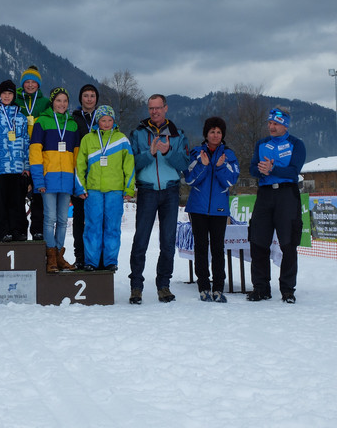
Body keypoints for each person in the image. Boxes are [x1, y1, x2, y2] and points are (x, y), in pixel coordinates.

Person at [128, 94, 189, 304]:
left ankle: (163, 285)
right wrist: (150, 152)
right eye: (151, 108)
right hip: (146, 191)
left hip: (171, 192)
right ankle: (136, 286)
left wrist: (169, 151)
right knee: (141, 240)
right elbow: (132, 162)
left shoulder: (178, 134)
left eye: (158, 108)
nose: (154, 112)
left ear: (166, 108)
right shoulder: (137, 133)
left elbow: (185, 165)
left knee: (168, 242)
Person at [247, 107, 306, 304]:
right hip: (265, 194)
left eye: (276, 124)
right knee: (258, 241)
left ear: (285, 125)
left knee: (288, 243)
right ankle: (261, 288)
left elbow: (293, 171)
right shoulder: (262, 143)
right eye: (270, 123)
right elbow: (252, 167)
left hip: (286, 194)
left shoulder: (296, 144)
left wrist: (273, 168)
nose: (271, 127)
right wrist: (261, 170)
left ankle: (288, 289)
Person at [185, 117, 239, 303]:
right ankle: (203, 286)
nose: (215, 135)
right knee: (200, 247)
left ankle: (218, 288)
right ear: (206, 134)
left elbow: (230, 181)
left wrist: (220, 167)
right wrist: (204, 165)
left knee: (218, 249)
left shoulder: (229, 155)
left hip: (219, 209)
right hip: (198, 208)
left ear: (222, 134)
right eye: (212, 132)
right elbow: (190, 180)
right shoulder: (196, 153)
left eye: (218, 132)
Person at [76, 105, 135, 272]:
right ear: (98, 121)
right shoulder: (88, 139)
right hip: (93, 190)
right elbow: (80, 165)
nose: (107, 123)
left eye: (110, 120)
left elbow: (129, 166)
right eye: (103, 120)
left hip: (115, 191)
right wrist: (80, 187)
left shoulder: (122, 139)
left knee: (112, 227)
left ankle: (110, 261)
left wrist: (129, 188)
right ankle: (91, 262)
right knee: (92, 226)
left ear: (114, 121)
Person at [29, 87, 82, 273]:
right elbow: (35, 153)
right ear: (52, 102)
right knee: (49, 218)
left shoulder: (73, 124)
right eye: (58, 101)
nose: (62, 104)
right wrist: (38, 181)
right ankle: (50, 256)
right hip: (48, 179)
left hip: (67, 179)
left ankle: (59, 255)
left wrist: (77, 184)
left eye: (65, 101)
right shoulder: (41, 122)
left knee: (62, 220)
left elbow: (77, 158)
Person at [0, 79, 30, 242]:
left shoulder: (21, 117)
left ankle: (18, 230)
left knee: (17, 202)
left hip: (17, 168)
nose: (7, 96)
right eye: (4, 93)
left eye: (10, 93)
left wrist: (26, 165)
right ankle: (1, 232)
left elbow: (26, 142)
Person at [16, 65, 49, 240]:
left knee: (38, 193)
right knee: (18, 194)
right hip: (19, 154)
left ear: (38, 85)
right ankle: (20, 229)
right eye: (26, 82)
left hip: (38, 153)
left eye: (33, 82)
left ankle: (37, 229)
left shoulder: (45, 102)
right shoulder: (16, 100)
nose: (29, 85)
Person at [71, 84, 100, 269]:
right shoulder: (73, 119)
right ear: (81, 98)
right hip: (79, 175)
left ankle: (97, 257)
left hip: (99, 177)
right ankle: (80, 256)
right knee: (79, 220)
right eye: (86, 96)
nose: (89, 99)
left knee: (96, 220)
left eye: (92, 96)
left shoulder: (104, 119)